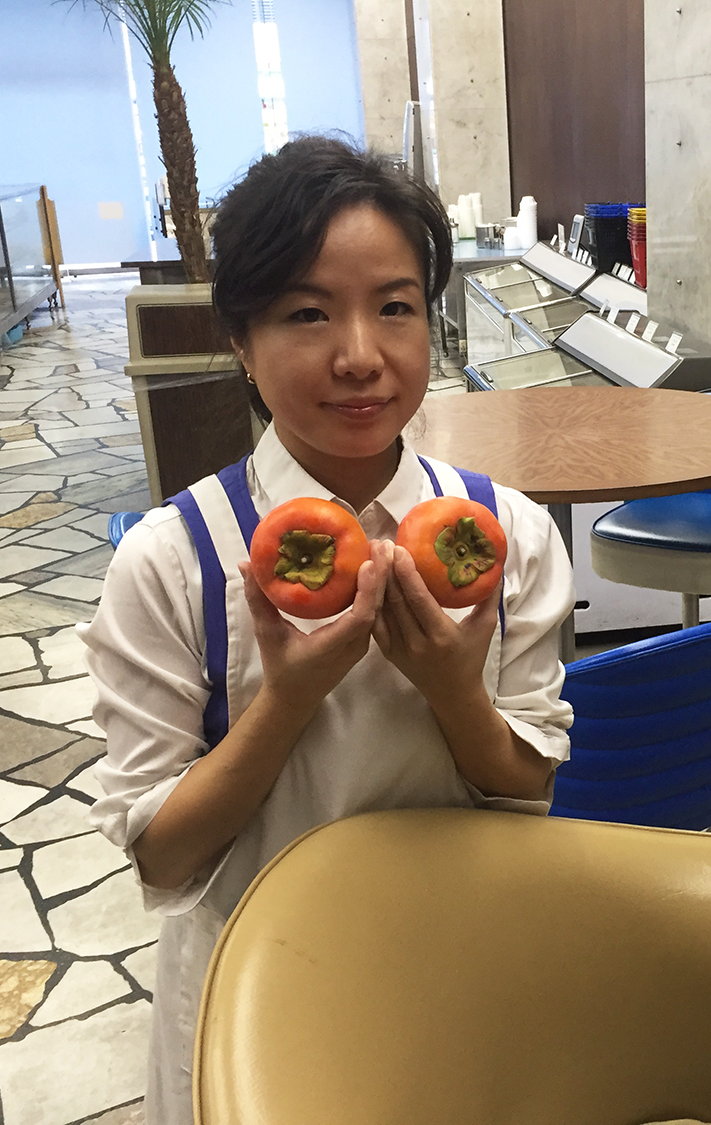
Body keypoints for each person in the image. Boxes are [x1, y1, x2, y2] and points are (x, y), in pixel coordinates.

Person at [81, 136, 575, 1125]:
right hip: (254, 998)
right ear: (239, 337)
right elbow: (161, 856)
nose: (359, 355)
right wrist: (288, 699)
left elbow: (530, 785)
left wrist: (454, 693)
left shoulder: (507, 534)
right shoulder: (176, 562)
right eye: (307, 313)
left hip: (453, 969)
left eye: (395, 306)